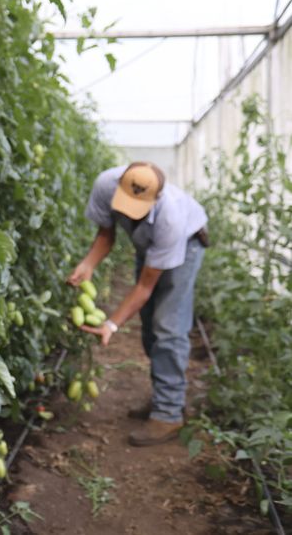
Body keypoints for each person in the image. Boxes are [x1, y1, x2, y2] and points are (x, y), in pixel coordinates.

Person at [67, 161, 208, 446]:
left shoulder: (170, 218)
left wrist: (111, 324)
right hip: (149, 246)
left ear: (155, 200)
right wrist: (88, 264)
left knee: (168, 326)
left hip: (185, 244)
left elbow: (145, 286)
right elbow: (106, 234)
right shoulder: (106, 184)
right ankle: (164, 397)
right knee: (148, 326)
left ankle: (168, 414)